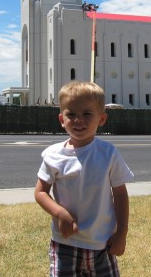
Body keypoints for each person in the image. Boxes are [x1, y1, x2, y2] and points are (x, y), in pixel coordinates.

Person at [34, 81, 134, 276]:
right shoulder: (53, 155)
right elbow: (40, 192)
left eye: (87, 114)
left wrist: (121, 233)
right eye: (71, 114)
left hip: (102, 243)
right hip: (65, 244)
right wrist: (60, 213)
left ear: (102, 118)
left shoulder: (109, 154)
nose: (79, 120)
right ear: (61, 119)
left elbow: (120, 195)